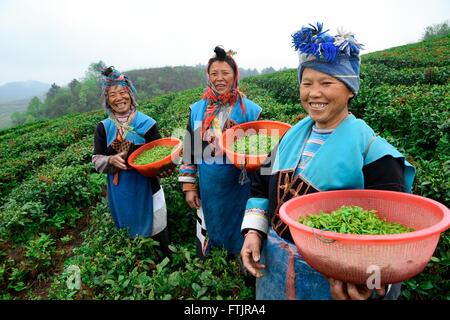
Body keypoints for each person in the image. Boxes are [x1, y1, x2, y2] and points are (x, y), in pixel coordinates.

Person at [240, 22, 416, 300]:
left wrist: (371, 282)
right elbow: (261, 188)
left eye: (327, 82)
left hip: (336, 282)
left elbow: (389, 233)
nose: (314, 93)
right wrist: (254, 231)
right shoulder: (287, 139)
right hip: (275, 272)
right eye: (306, 83)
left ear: (350, 89)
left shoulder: (375, 154)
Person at [179, 46, 262, 258]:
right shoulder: (197, 109)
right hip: (210, 185)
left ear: (235, 76)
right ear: (208, 76)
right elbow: (189, 150)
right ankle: (214, 265)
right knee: (213, 223)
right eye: (214, 73)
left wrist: (238, 138)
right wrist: (189, 186)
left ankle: (241, 261)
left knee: (239, 226)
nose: (220, 78)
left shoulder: (250, 110)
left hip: (239, 186)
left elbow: (261, 151)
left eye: (225, 73)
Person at [92, 66, 172, 256]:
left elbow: (160, 155)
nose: (119, 98)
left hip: (148, 187)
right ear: (107, 101)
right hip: (121, 190)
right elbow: (97, 160)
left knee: (158, 229)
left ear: (130, 94)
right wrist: (111, 160)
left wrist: (165, 167)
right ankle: (139, 268)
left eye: (122, 92)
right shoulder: (103, 128)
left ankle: (165, 263)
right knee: (130, 233)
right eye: (113, 94)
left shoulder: (147, 124)